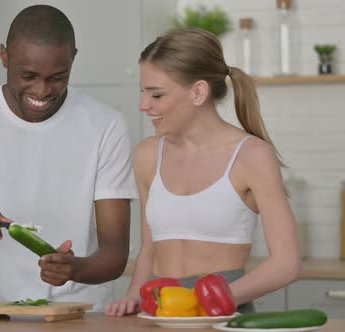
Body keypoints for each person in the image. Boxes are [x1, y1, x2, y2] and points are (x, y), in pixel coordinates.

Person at [0, 5, 137, 309]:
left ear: (73, 58)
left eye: (57, 77)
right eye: (29, 75)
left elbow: (115, 253)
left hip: (79, 315)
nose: (42, 91)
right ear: (4, 56)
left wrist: (76, 269)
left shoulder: (106, 125)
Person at [105, 28, 300, 316]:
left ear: (198, 92)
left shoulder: (251, 156)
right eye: (143, 92)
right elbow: (150, 247)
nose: (144, 105)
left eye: (156, 95)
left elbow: (287, 263)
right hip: (160, 313)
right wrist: (133, 295)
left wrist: (210, 299)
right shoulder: (147, 155)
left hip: (222, 313)